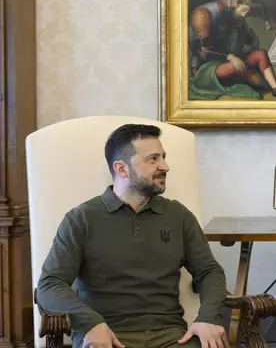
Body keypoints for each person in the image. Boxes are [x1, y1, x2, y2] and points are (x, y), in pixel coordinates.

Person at [36, 124, 230, 348]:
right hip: (107, 337)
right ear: (121, 169)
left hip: (171, 336)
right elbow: (50, 285)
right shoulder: (81, 219)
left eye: (163, 157)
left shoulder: (178, 215)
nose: (165, 166)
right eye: (153, 159)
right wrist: (90, 323)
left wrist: (208, 317)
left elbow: (209, 272)